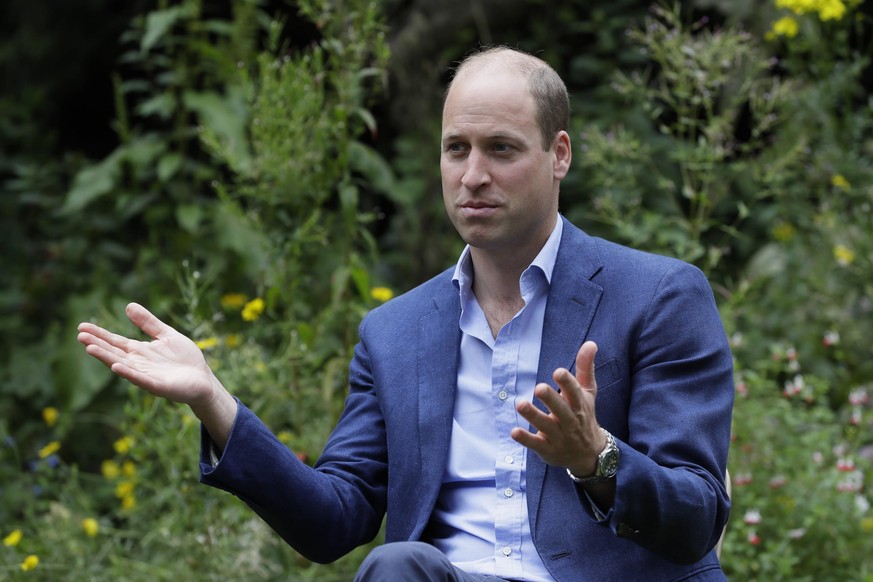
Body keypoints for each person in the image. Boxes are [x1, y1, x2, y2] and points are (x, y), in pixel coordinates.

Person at [78, 46, 734, 581]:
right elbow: (333, 522)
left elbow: (696, 518)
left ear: (558, 154)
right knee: (397, 565)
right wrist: (212, 400)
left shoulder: (657, 296)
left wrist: (596, 459)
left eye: (501, 149)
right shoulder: (395, 332)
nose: (473, 175)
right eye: (456, 149)